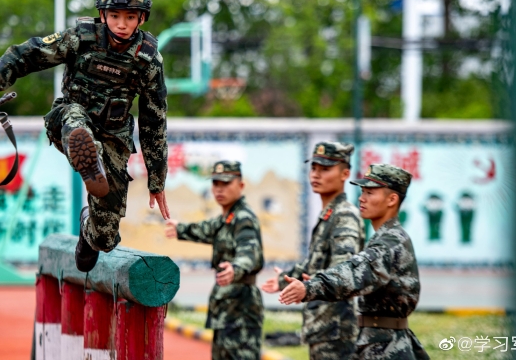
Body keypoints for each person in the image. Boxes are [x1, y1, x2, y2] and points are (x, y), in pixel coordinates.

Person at [0, 0, 170, 271]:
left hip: (114, 137)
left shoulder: (148, 60)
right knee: (77, 121)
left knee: (106, 238)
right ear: (103, 15)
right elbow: (26, 55)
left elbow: (154, 121)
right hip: (70, 120)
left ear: (141, 18)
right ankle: (89, 155)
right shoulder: (81, 39)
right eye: (114, 16)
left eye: (129, 17)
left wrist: (157, 179)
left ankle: (89, 227)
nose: (121, 24)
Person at [279, 164, 430, 360]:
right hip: (380, 341)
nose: (361, 198)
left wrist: (311, 287)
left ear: (392, 199)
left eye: (369, 192)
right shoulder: (386, 238)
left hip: (386, 347)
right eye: (362, 191)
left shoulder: (389, 243)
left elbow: (354, 272)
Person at [261, 141, 364, 359]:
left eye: (325, 169)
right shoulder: (329, 214)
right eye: (314, 168)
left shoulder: (344, 216)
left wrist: (309, 286)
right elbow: (315, 264)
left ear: (345, 173)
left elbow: (344, 271)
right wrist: (287, 279)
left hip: (336, 330)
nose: (316, 175)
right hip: (322, 327)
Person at [165, 161, 264, 360]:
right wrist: (180, 229)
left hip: (241, 308)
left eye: (226, 183)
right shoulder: (227, 218)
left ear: (241, 185)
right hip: (226, 307)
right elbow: (207, 228)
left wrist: (235, 268)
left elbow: (250, 252)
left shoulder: (243, 218)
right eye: (216, 183)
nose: (219, 189)